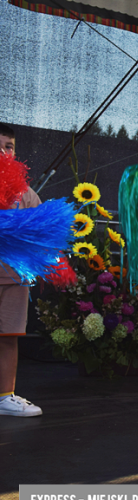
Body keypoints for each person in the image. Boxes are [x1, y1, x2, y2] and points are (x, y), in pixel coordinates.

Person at [0, 123, 44, 418]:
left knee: (8, 336)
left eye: (9, 146)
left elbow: (42, 229)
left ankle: (5, 396)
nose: (4, 152)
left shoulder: (25, 193)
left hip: (14, 276)